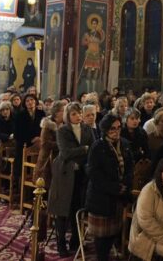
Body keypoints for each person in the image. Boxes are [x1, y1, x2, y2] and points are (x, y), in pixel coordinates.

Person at [48, 102, 95, 257]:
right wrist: (83, 149)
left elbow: (92, 149)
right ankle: (61, 244)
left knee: (78, 208)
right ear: (68, 116)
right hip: (65, 174)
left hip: (82, 173)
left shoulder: (87, 129)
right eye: (74, 114)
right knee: (63, 210)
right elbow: (65, 153)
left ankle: (76, 241)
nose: (78, 116)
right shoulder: (63, 130)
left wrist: (84, 152)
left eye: (79, 113)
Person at [86, 114, 134, 261]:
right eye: (112, 128)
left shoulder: (124, 144)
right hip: (102, 198)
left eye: (118, 128)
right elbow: (94, 175)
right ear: (105, 130)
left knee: (113, 233)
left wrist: (125, 185)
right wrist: (114, 188)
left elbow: (130, 168)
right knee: (102, 239)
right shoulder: (98, 147)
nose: (116, 131)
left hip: (118, 197)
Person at [33, 100, 65, 186]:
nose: (65, 113)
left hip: (60, 157)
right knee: (49, 184)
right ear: (56, 112)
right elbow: (45, 144)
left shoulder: (64, 124)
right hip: (47, 159)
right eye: (63, 110)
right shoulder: (48, 125)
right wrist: (62, 144)